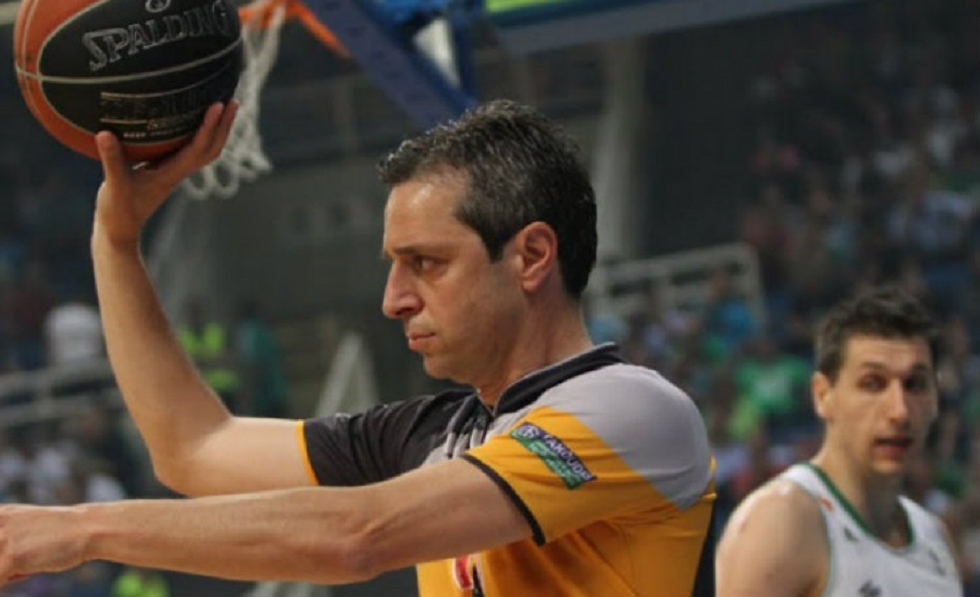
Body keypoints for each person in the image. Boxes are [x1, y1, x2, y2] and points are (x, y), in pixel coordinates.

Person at [0, 100, 716, 596]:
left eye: (426, 263)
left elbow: (359, 536)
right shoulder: (433, 434)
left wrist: (85, 528)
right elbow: (193, 447)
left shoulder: (628, 409)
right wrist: (116, 242)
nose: (394, 299)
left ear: (530, 256)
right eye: (394, 266)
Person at [716, 285, 963, 597]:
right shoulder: (782, 520)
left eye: (915, 384)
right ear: (823, 395)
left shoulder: (936, 538)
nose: (900, 411)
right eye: (872, 383)